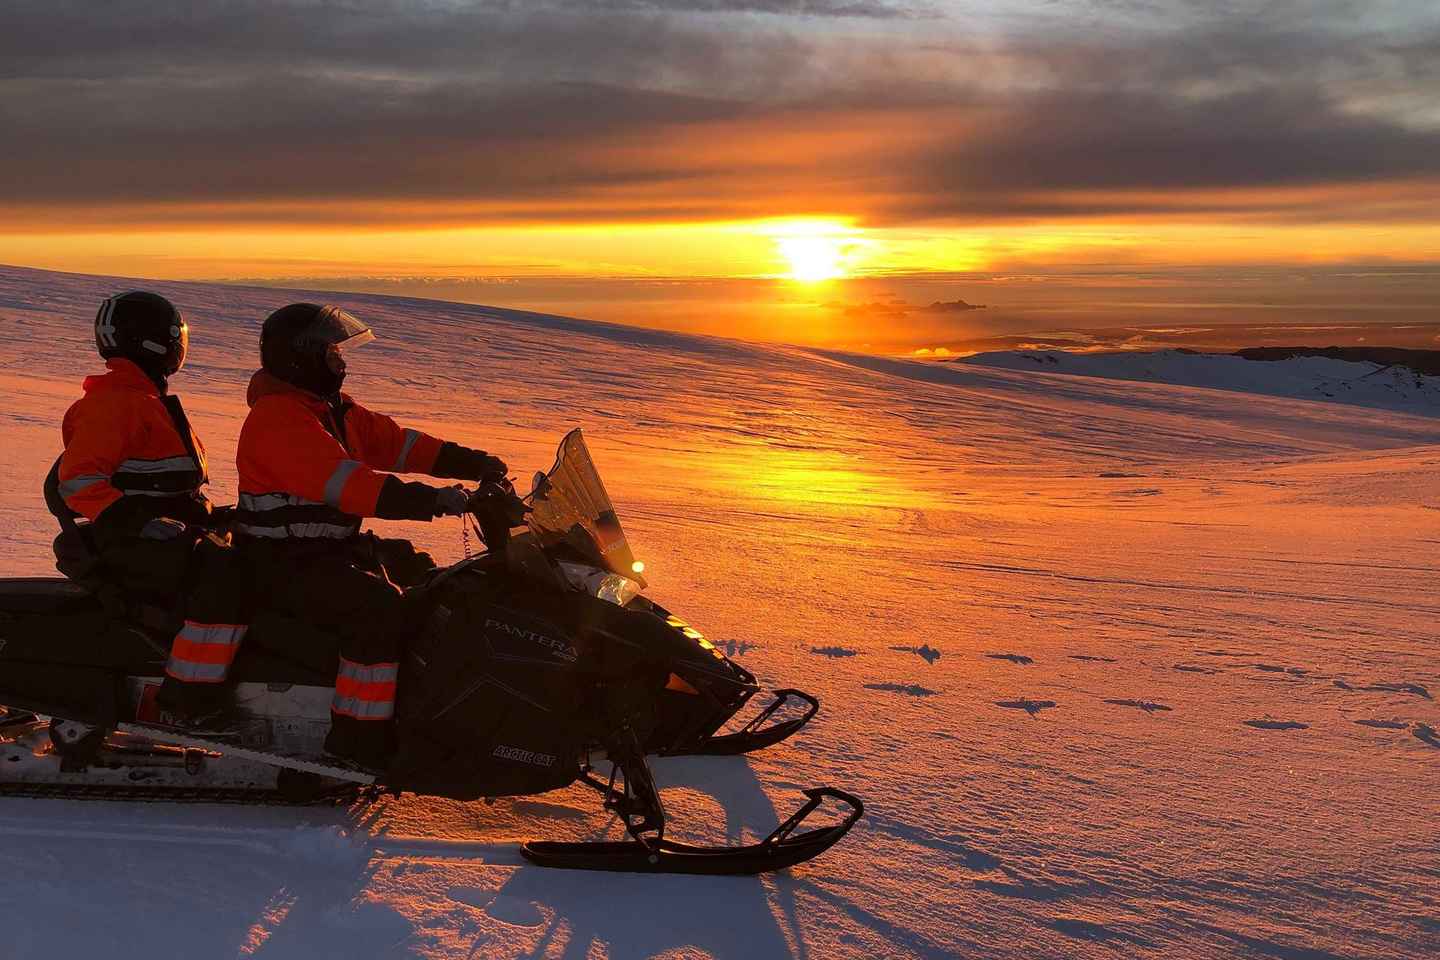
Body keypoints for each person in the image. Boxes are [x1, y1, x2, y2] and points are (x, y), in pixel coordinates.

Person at [234, 302, 508, 771]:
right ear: (302, 357)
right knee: (378, 609)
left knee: (428, 577)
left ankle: (424, 707)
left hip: (321, 552)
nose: (341, 362)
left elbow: (396, 443)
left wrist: (473, 462)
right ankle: (357, 741)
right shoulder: (279, 419)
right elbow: (351, 486)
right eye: (332, 353)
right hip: (278, 562)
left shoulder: (329, 410)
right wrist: (439, 501)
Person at [55, 292, 248, 722]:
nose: (180, 343)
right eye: (174, 334)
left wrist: (221, 515)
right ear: (153, 341)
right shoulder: (113, 405)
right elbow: (80, 482)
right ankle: (189, 699)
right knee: (226, 577)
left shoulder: (146, 401)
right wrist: (142, 523)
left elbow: (170, 485)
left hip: (165, 532)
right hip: (129, 540)